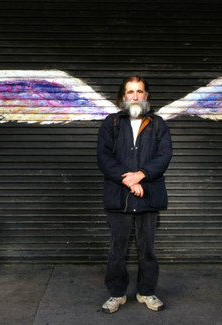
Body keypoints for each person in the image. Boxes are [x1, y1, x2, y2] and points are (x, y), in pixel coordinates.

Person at [96, 76, 173, 313]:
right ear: (123, 97)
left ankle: (146, 291)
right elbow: (104, 157)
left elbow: (164, 156)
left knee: (147, 248)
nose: (135, 96)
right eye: (130, 92)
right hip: (119, 195)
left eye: (139, 91)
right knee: (117, 249)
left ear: (146, 95)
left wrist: (141, 174)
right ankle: (116, 294)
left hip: (148, 195)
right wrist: (129, 179)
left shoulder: (158, 124)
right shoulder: (112, 123)